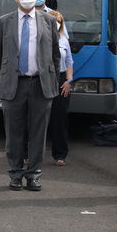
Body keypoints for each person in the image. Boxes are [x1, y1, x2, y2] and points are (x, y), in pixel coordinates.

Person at [0, 0, 60, 191]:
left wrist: (51, 81)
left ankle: (34, 175)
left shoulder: (49, 21)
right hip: (14, 85)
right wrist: (0, 83)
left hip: (40, 84)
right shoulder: (4, 22)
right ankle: (15, 174)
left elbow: (55, 55)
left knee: (38, 133)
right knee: (14, 133)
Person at [47, 10, 74, 166]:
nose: (56, 24)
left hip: (61, 80)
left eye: (58, 21)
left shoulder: (64, 40)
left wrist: (68, 81)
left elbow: (69, 61)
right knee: (34, 119)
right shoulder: (38, 39)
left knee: (60, 119)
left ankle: (60, 154)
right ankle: (27, 153)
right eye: (53, 20)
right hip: (43, 79)